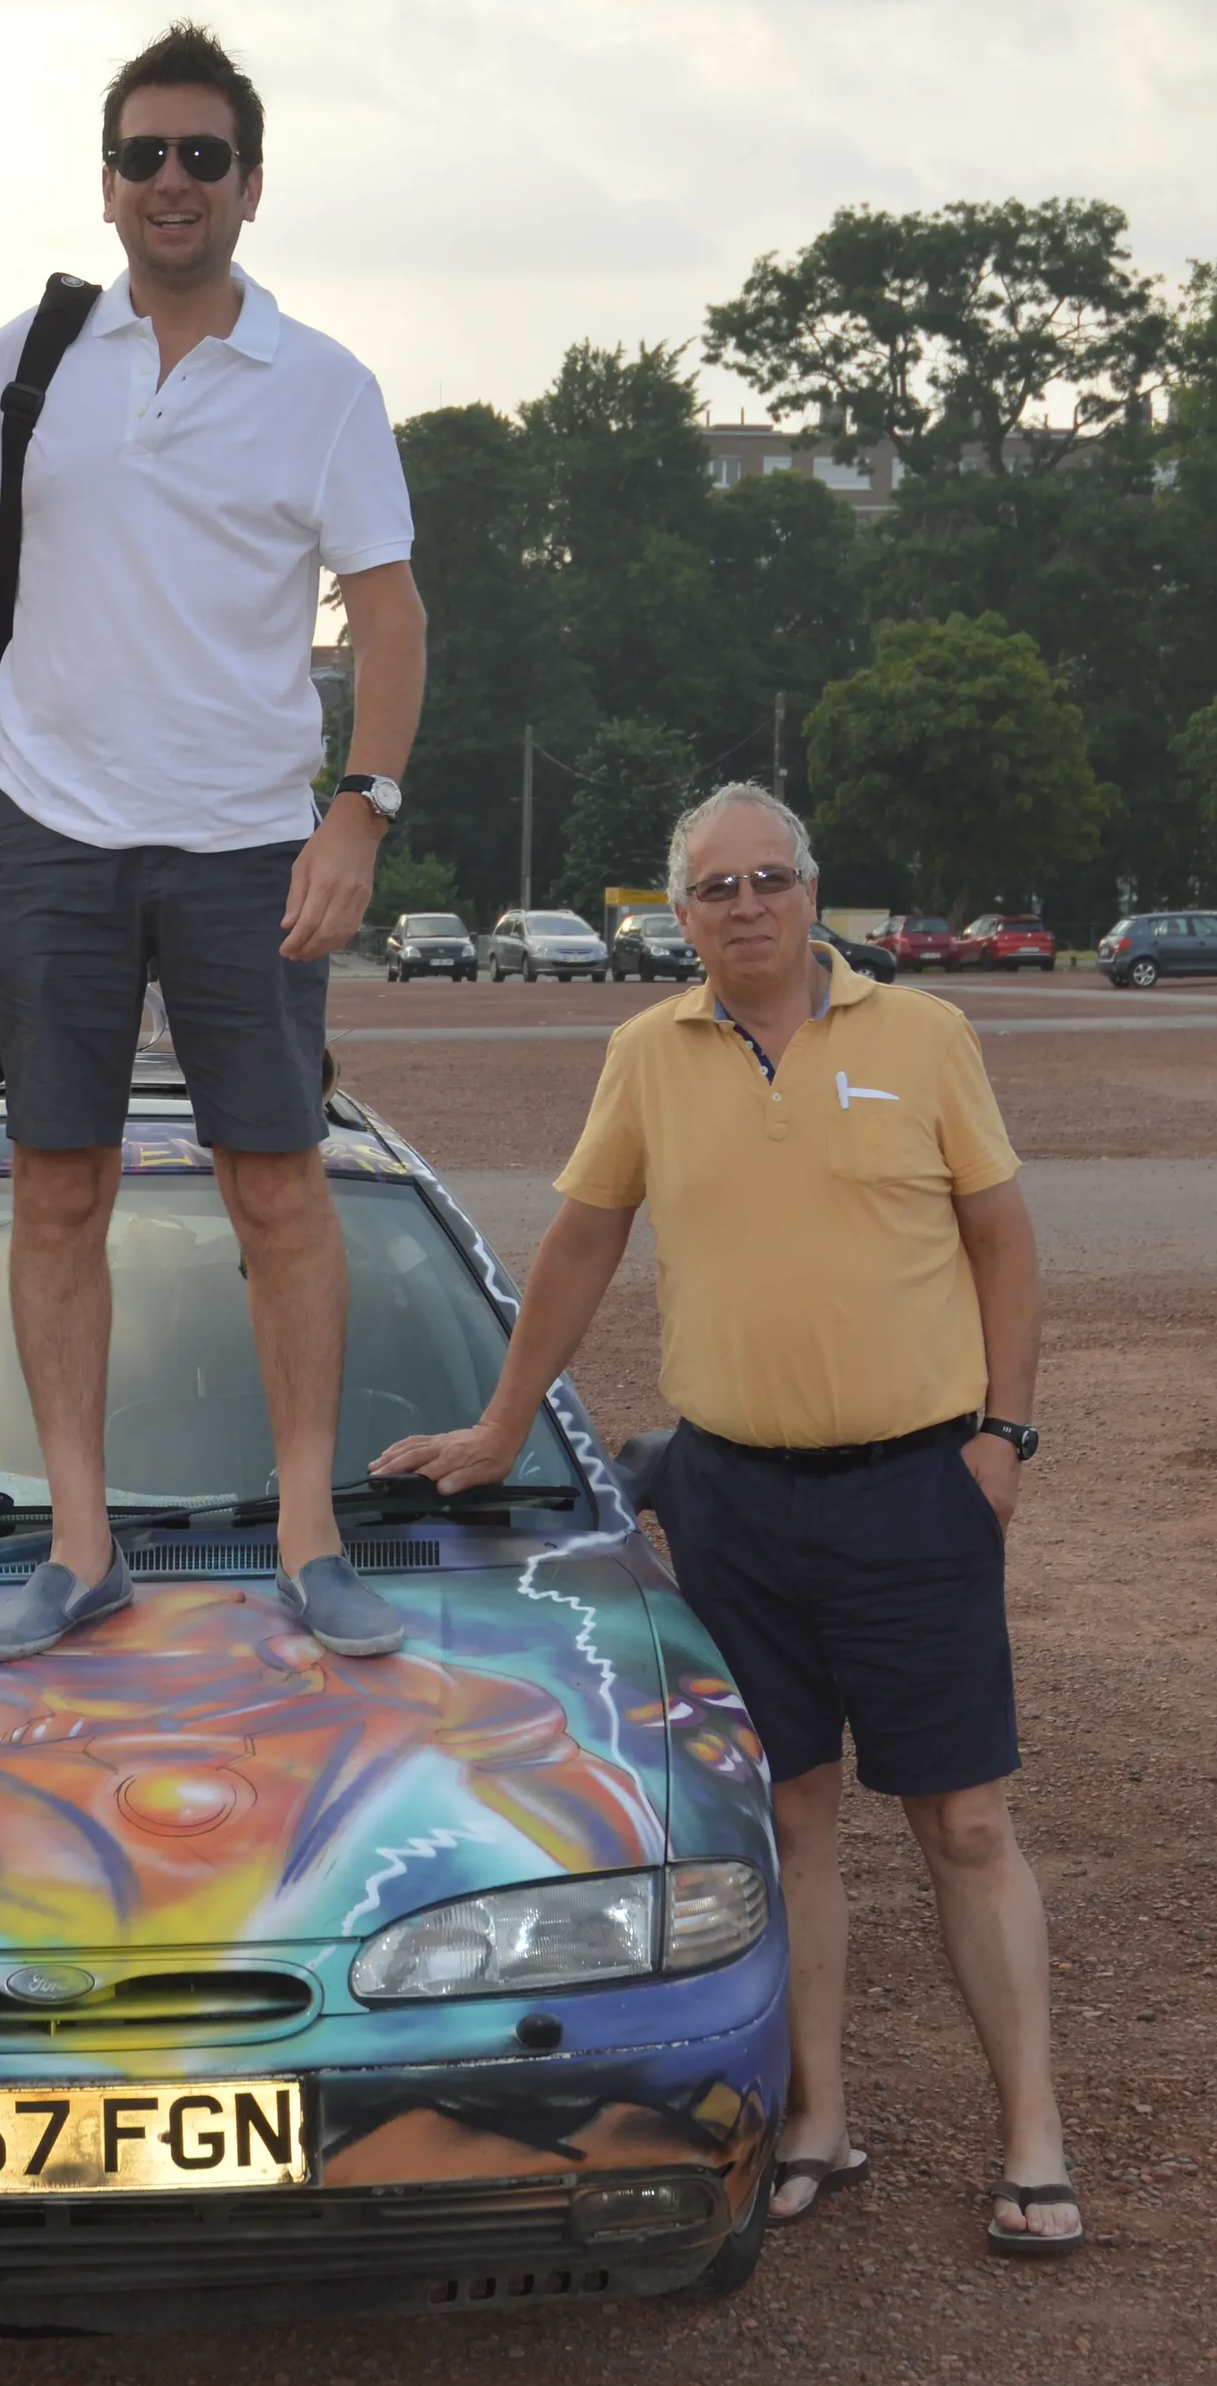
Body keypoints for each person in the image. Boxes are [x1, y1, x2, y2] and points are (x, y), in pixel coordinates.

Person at [379, 781, 1077, 2254]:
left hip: (919, 1486)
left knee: (962, 1819)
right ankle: (821, 2120)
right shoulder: (648, 1054)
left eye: (768, 879)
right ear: (677, 913)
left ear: (811, 893)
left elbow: (1001, 1238)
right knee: (793, 1820)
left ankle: (1035, 2145)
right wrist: (503, 1423)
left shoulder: (925, 1037)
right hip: (733, 1497)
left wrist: (1004, 1437)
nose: (744, 906)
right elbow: (579, 1241)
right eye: (713, 888)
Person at [0, 21, 427, 1662]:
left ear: (252, 185)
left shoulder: (325, 383)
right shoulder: (36, 354)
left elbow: (395, 612)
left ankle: (305, 1535)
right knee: (54, 1190)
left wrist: (363, 807)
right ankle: (80, 1547)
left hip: (241, 840)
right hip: (52, 827)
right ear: (107, 183)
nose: (171, 180)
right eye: (143, 153)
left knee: (277, 1190)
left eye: (202, 154)